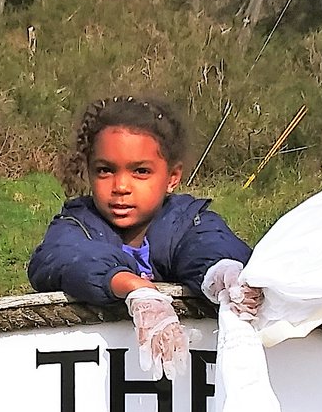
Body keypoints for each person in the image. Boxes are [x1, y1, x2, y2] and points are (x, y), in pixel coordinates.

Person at [28, 95, 260, 376]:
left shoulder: (188, 220)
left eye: (140, 171)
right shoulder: (77, 223)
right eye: (105, 170)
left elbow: (209, 242)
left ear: (172, 177)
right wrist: (132, 287)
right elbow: (61, 257)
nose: (121, 186)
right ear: (89, 171)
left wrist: (223, 271)